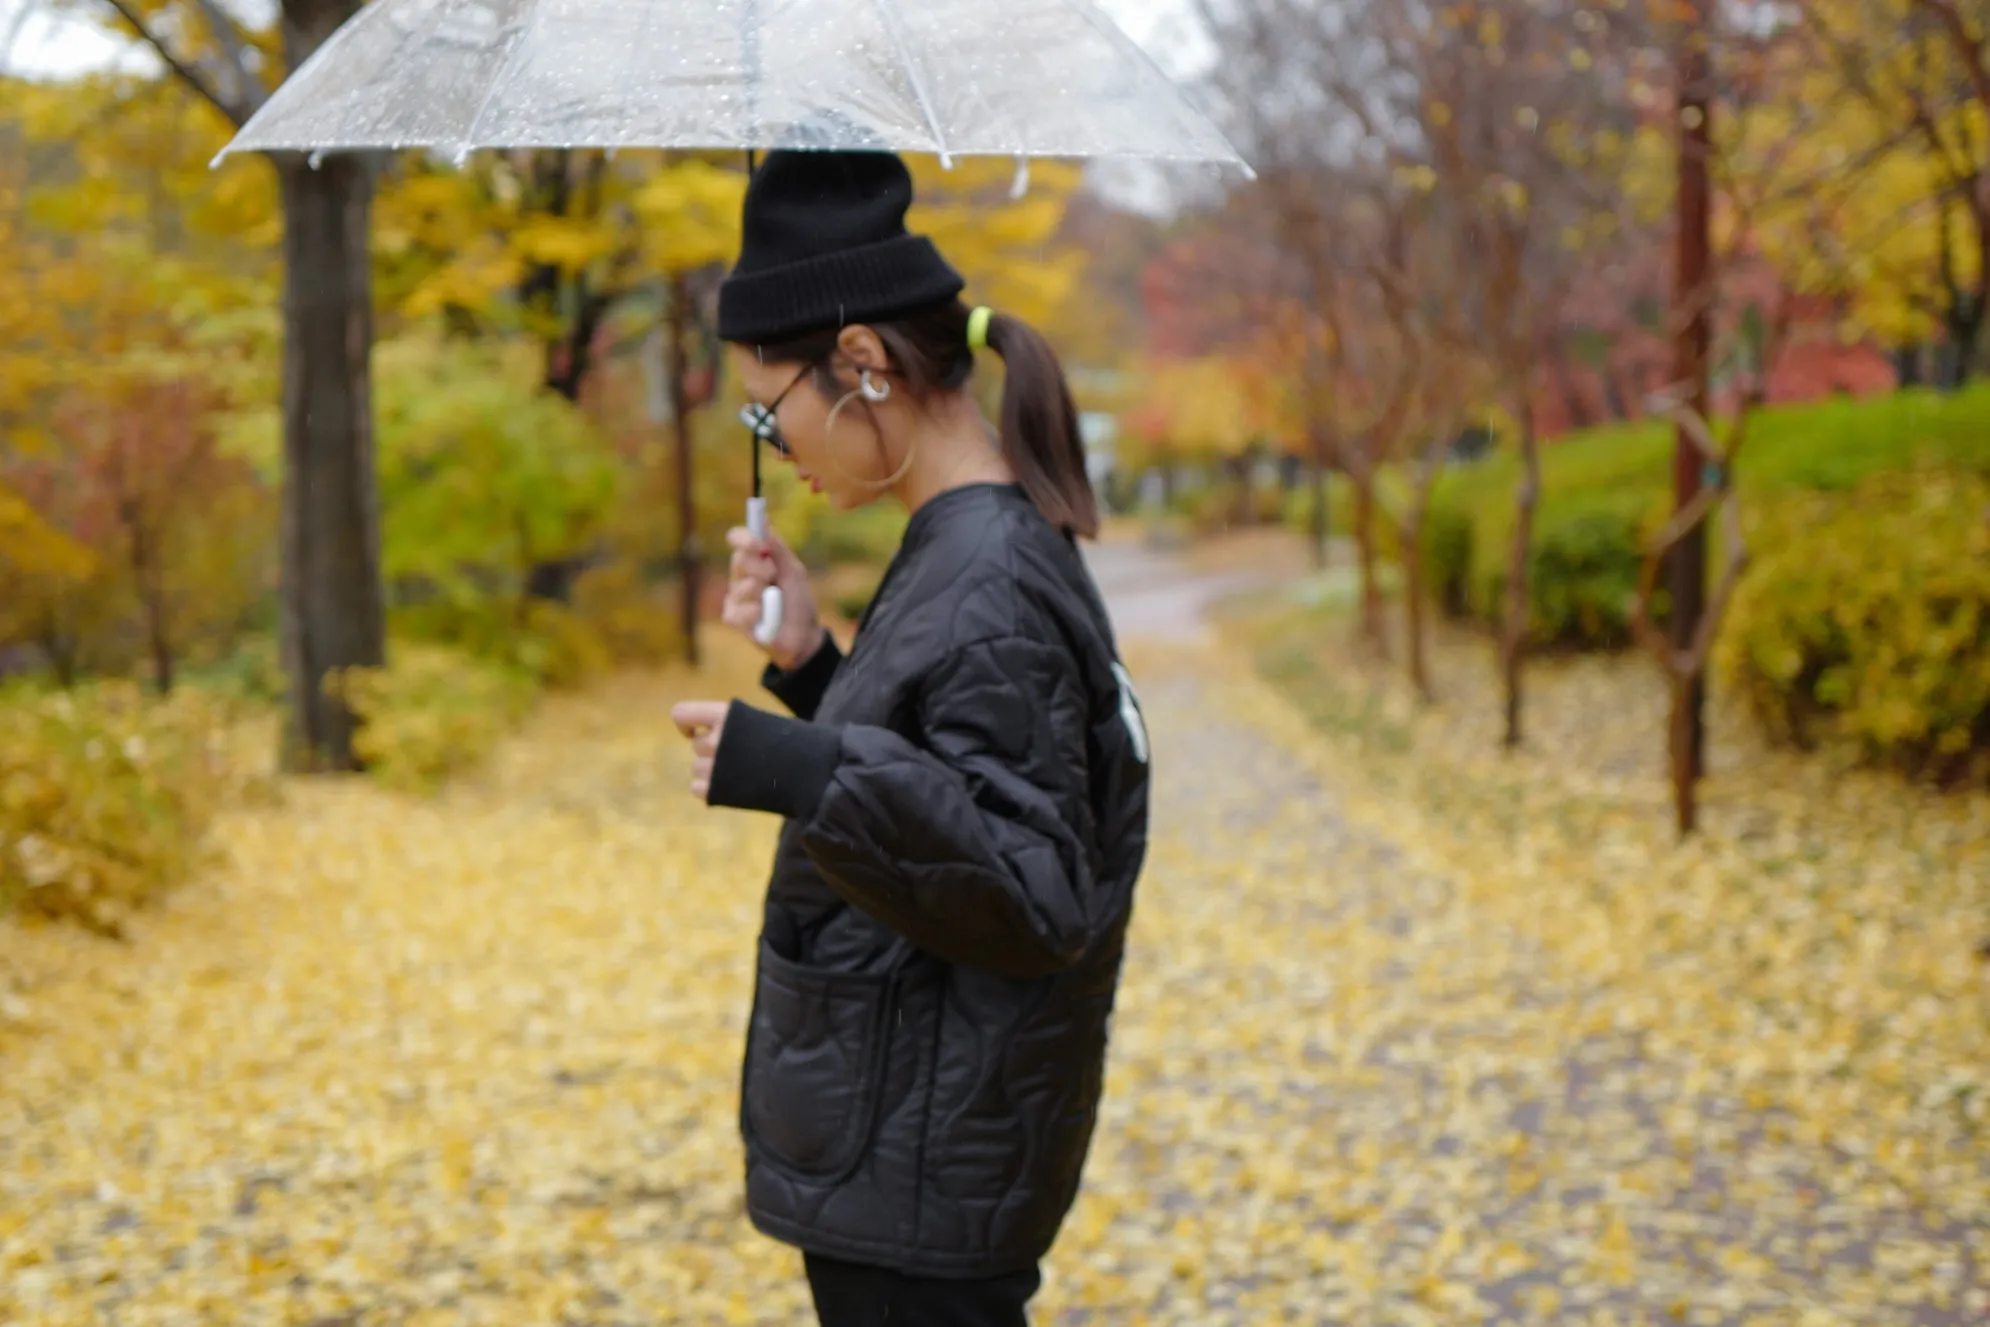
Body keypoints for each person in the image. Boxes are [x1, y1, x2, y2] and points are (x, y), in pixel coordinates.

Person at [668, 148, 1153, 1327]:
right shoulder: (969, 543)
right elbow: (957, 767)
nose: (772, 448)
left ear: (864, 366)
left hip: (928, 1148)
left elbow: (1034, 889)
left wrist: (799, 767)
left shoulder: (986, 572)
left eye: (766, 410)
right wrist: (814, 666)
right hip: (916, 1133)